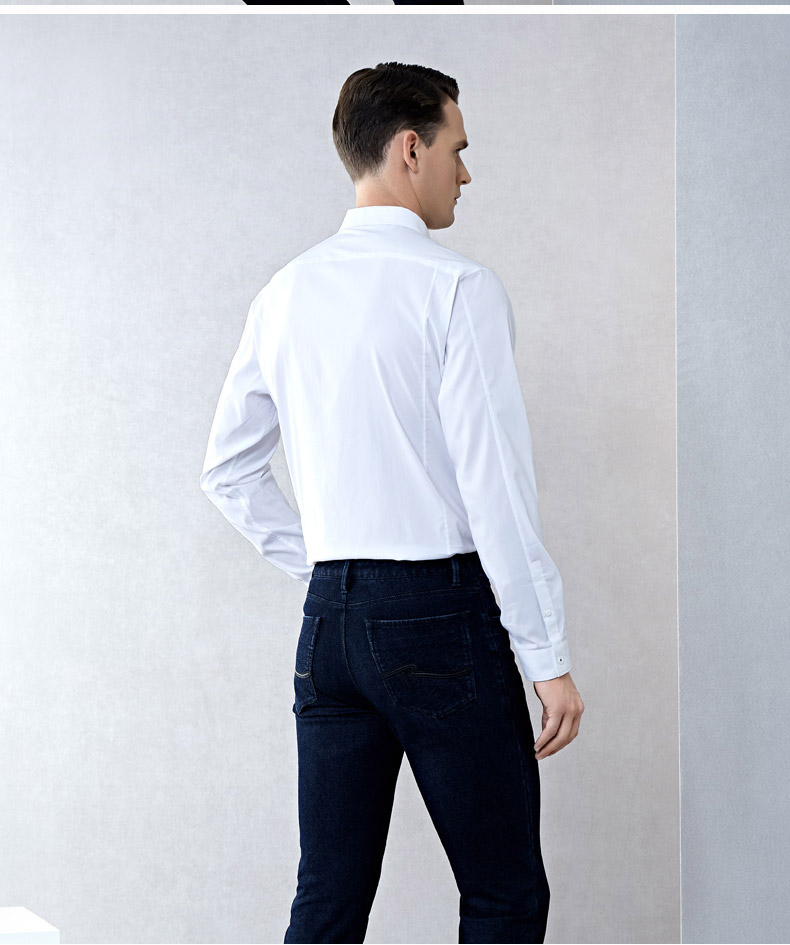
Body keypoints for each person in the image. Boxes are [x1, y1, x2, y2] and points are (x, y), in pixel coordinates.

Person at [199, 61, 584, 945]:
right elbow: (496, 486)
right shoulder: (456, 288)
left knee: (327, 903)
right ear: (411, 148)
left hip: (328, 629)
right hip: (439, 620)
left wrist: (329, 567)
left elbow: (228, 470)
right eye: (458, 149)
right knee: (503, 894)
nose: (466, 173)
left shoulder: (285, 291)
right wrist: (547, 653)